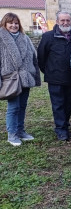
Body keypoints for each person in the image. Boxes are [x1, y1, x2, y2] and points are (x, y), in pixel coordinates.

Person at [37, 11, 71, 141]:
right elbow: (41, 57)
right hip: (55, 77)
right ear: (57, 22)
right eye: (62, 20)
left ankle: (65, 125)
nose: (65, 23)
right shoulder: (48, 37)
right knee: (58, 104)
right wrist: (49, 71)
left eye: (68, 20)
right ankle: (60, 129)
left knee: (69, 103)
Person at [0, 13, 41, 146]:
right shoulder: (1, 39)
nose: (14, 25)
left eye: (16, 23)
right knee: (13, 107)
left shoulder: (25, 38)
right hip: (10, 78)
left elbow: (33, 58)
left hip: (25, 77)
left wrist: (34, 75)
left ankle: (20, 131)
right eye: (10, 23)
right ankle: (12, 135)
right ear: (5, 24)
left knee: (22, 106)